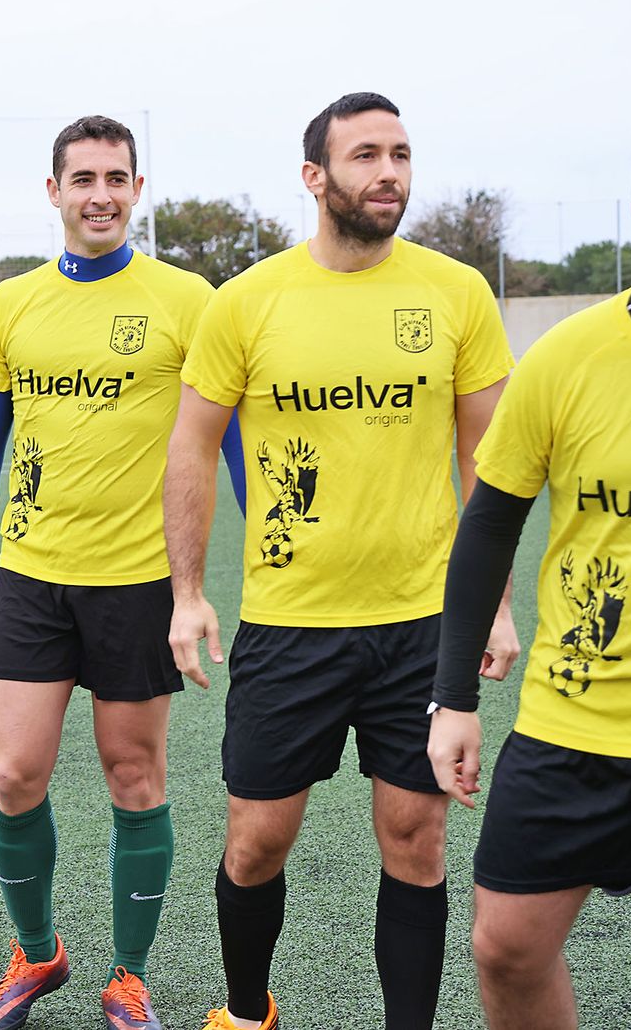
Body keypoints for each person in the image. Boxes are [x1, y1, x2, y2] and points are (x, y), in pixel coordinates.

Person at [164, 92, 519, 1030]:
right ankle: (247, 1012)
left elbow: (488, 466)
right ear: (315, 176)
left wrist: (494, 605)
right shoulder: (248, 301)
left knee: (417, 837)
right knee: (256, 842)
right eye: (366, 154)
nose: (389, 171)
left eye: (400, 153)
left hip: (423, 625)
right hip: (291, 623)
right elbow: (191, 447)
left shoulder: (457, 293)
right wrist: (188, 593)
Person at [0, 115, 212, 1030]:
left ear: (138, 189)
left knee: (134, 776)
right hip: (32, 576)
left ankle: (129, 976)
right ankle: (37, 951)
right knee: (15, 773)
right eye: (83, 178)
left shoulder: (186, 299)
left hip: (139, 580)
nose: (101, 194)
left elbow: (227, 440)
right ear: (53, 191)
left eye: (116, 178)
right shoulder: (12, 305)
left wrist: (229, 572)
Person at [426, 128, 631, 1030]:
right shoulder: (569, 355)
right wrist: (453, 697)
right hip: (576, 717)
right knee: (507, 946)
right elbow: (489, 526)